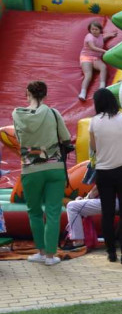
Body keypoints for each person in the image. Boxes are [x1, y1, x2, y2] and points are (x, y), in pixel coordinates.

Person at [13, 82, 71, 266]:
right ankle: (50, 256)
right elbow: (66, 137)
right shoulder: (53, 113)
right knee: (53, 212)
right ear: (45, 95)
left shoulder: (17, 114)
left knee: (34, 212)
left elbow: (19, 139)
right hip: (54, 168)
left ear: (27, 93)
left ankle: (40, 251)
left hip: (30, 168)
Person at [87, 88, 122, 264]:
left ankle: (111, 252)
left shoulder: (94, 122)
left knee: (107, 213)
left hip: (104, 172)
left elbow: (94, 148)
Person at [79, 20, 118, 101]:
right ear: (90, 30)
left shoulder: (100, 36)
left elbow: (102, 38)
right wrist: (104, 51)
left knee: (103, 68)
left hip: (96, 58)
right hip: (86, 57)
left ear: (100, 30)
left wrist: (110, 35)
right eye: (92, 29)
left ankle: (102, 86)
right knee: (88, 74)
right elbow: (92, 47)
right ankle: (83, 93)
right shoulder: (89, 37)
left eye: (96, 29)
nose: (94, 31)